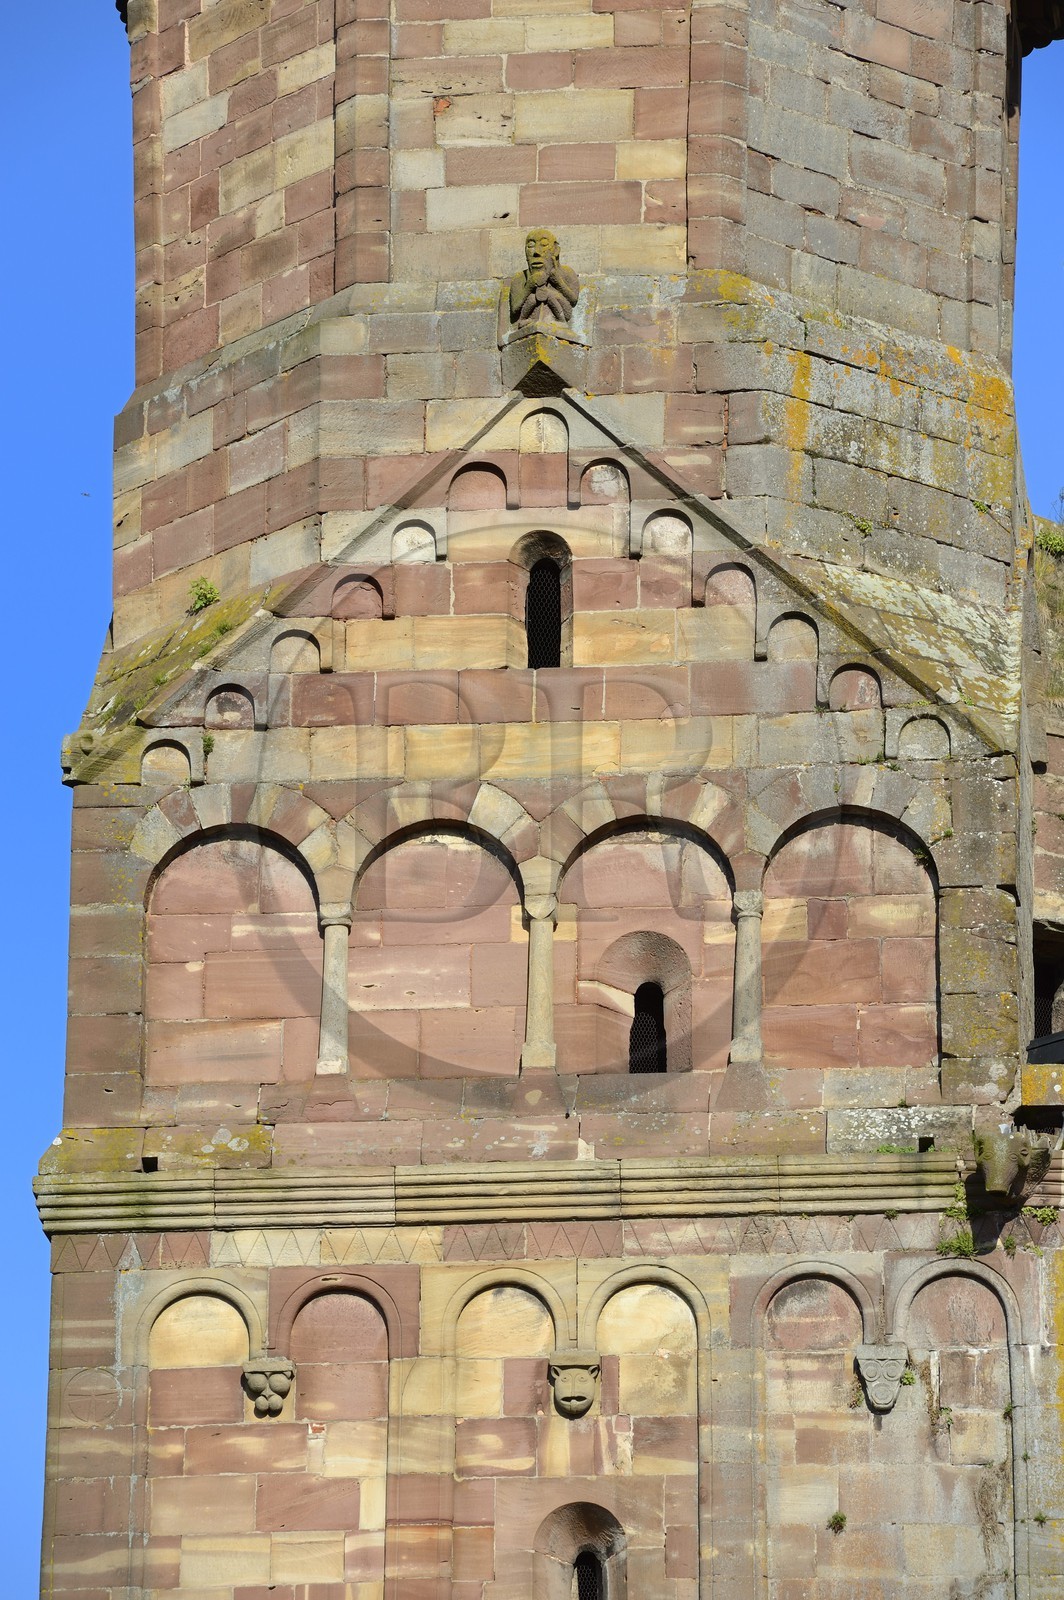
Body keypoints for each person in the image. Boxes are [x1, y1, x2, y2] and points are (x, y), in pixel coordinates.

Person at [509, 229, 580, 326]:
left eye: (544, 244)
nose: (536, 252)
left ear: (556, 250)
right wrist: (529, 286)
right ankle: (523, 320)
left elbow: (573, 300)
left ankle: (561, 321)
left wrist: (558, 282)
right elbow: (514, 308)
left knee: (549, 294)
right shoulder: (519, 278)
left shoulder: (567, 272)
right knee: (533, 297)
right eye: (530, 246)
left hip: (563, 310)